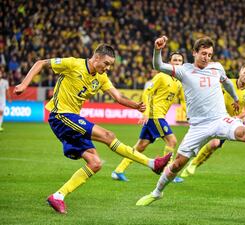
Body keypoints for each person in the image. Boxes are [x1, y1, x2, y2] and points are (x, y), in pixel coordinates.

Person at [14, 44, 171, 214]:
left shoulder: (101, 78)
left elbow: (117, 96)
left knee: (95, 164)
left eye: (111, 64)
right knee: (108, 135)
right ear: (96, 58)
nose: (108, 67)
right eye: (106, 63)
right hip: (60, 115)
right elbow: (41, 63)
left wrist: (136, 106)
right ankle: (152, 164)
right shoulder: (73, 64)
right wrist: (24, 84)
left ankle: (58, 196)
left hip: (72, 119)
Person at [136, 36, 245, 206]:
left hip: (220, 119)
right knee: (178, 164)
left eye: (209, 54)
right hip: (198, 126)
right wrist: (158, 50)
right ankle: (157, 193)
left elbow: (227, 83)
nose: (206, 57)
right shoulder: (184, 70)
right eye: (203, 53)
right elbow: (158, 66)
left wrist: (235, 98)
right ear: (194, 53)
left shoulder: (217, 68)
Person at [111, 52, 186, 183]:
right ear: (169, 62)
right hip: (154, 115)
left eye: (180, 60)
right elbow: (147, 92)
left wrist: (188, 114)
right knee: (172, 141)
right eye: (175, 60)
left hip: (158, 116)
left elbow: (183, 100)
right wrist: (145, 112)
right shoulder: (161, 76)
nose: (178, 62)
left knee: (141, 146)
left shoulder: (179, 82)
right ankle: (167, 173)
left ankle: (118, 171)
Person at [181, 64, 245, 177]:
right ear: (240, 72)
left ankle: (193, 164)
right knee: (212, 143)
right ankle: (187, 162)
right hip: (214, 116)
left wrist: (238, 117)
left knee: (214, 146)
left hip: (229, 122)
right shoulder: (227, 83)